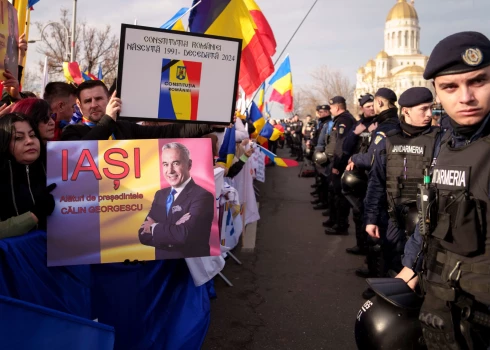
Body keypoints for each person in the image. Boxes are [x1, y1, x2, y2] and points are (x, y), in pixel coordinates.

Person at [395, 31, 490, 349]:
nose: (465, 97)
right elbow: (430, 218)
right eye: (450, 86)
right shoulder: (447, 144)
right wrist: (410, 266)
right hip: (442, 307)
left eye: (478, 81)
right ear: (437, 92)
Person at [364, 87, 440, 301]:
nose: (429, 114)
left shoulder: (440, 141)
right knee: (392, 262)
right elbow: (376, 183)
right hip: (394, 219)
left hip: (426, 221)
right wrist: (370, 218)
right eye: (423, 109)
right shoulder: (388, 140)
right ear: (405, 111)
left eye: (431, 109)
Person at [61, 80, 215, 141]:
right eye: (88, 101)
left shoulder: (124, 127)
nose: (94, 104)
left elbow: (168, 132)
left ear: (109, 99)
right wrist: (108, 119)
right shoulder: (71, 132)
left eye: (99, 99)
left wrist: (212, 124)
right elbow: (84, 150)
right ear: (79, 106)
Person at [138, 142, 215, 259]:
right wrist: (173, 229)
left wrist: (154, 227)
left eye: (175, 163)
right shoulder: (160, 194)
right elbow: (143, 235)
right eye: (165, 164)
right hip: (162, 265)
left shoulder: (203, 196)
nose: (170, 170)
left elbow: (184, 235)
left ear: (189, 165)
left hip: (188, 268)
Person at [0, 113, 56, 238]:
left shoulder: (55, 166)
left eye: (32, 135)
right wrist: (34, 215)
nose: (30, 141)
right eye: (19, 138)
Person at [342, 93, 376, 255]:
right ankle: (360, 245)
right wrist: (355, 133)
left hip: (374, 174)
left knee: (372, 213)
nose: (371, 108)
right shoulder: (358, 125)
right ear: (362, 108)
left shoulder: (382, 124)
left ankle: (372, 253)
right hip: (359, 175)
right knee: (357, 210)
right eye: (368, 106)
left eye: (373, 105)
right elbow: (346, 146)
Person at [324, 96, 356, 235]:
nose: (330, 110)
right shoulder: (341, 119)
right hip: (337, 162)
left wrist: (337, 164)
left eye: (331, 107)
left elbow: (341, 144)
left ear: (337, 107)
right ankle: (335, 220)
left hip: (341, 163)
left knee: (340, 195)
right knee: (334, 193)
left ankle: (341, 225)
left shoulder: (344, 121)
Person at [311, 104, 332, 211]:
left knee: (324, 180)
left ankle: (324, 201)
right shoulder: (320, 122)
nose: (321, 113)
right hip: (318, 152)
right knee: (319, 178)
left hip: (324, 155)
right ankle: (320, 198)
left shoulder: (329, 123)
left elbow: (328, 141)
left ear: (328, 112)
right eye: (320, 112)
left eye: (324, 111)